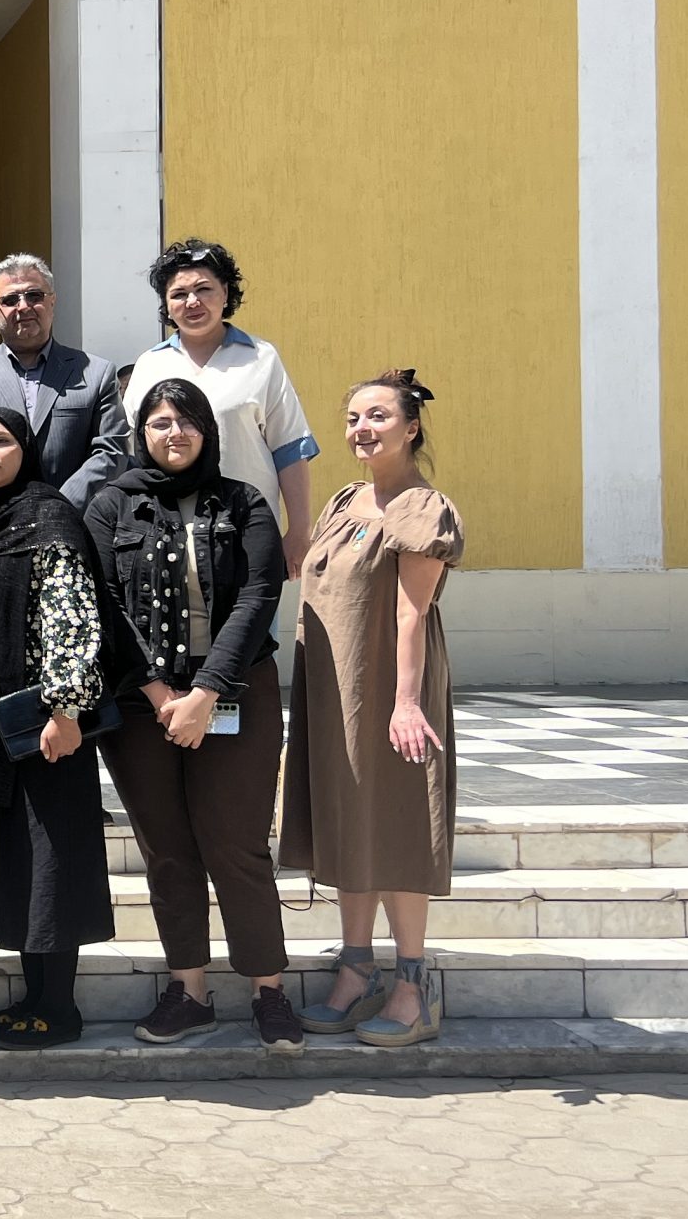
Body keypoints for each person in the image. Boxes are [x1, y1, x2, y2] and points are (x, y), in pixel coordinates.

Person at [83, 377, 299, 1051]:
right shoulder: (111, 504)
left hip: (235, 693)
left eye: (185, 420)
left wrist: (205, 692)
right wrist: (157, 693)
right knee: (168, 851)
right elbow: (102, 603)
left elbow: (258, 595)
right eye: (158, 422)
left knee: (236, 846)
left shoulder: (245, 502)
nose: (172, 433)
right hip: (140, 703)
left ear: (206, 429)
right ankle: (190, 991)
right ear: (139, 432)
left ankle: (268, 989)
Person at [282, 370, 463, 1048]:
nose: (363, 428)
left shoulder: (422, 507)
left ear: (411, 428)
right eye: (354, 417)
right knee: (348, 826)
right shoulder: (343, 500)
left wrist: (406, 703)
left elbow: (411, 612)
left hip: (389, 693)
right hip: (334, 696)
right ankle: (356, 970)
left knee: (398, 828)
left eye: (379, 416)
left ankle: (413, 986)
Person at [0, 406, 137, 1051]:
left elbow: (74, 615)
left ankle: (59, 1008)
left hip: (46, 726)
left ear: (25, 450)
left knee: (50, 859)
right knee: (19, 862)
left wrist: (65, 709)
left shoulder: (50, 518)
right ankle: (33, 998)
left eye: (1, 442)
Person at [123, 239, 320, 574]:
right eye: (179, 294)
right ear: (166, 304)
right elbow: (132, 454)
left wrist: (300, 531)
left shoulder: (260, 358)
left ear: (225, 293)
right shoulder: (150, 365)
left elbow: (289, 449)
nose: (192, 301)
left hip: (247, 531)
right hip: (168, 535)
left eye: (204, 289)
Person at [0, 254, 128, 513]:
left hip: (74, 521)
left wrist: (57, 509)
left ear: (52, 302)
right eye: (10, 300)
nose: (24, 306)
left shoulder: (96, 373)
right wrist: (5, 514)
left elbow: (111, 451)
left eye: (34, 296)